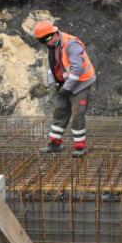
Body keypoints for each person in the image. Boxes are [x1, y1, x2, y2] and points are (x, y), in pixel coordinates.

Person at [33, 20, 97, 158]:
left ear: (55, 33)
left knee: (77, 114)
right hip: (65, 83)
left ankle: (80, 147)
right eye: (42, 41)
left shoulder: (71, 44)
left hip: (81, 83)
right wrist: (53, 84)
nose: (46, 43)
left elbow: (77, 69)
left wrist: (66, 89)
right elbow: (52, 67)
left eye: (47, 39)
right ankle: (54, 144)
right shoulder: (52, 47)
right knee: (60, 112)